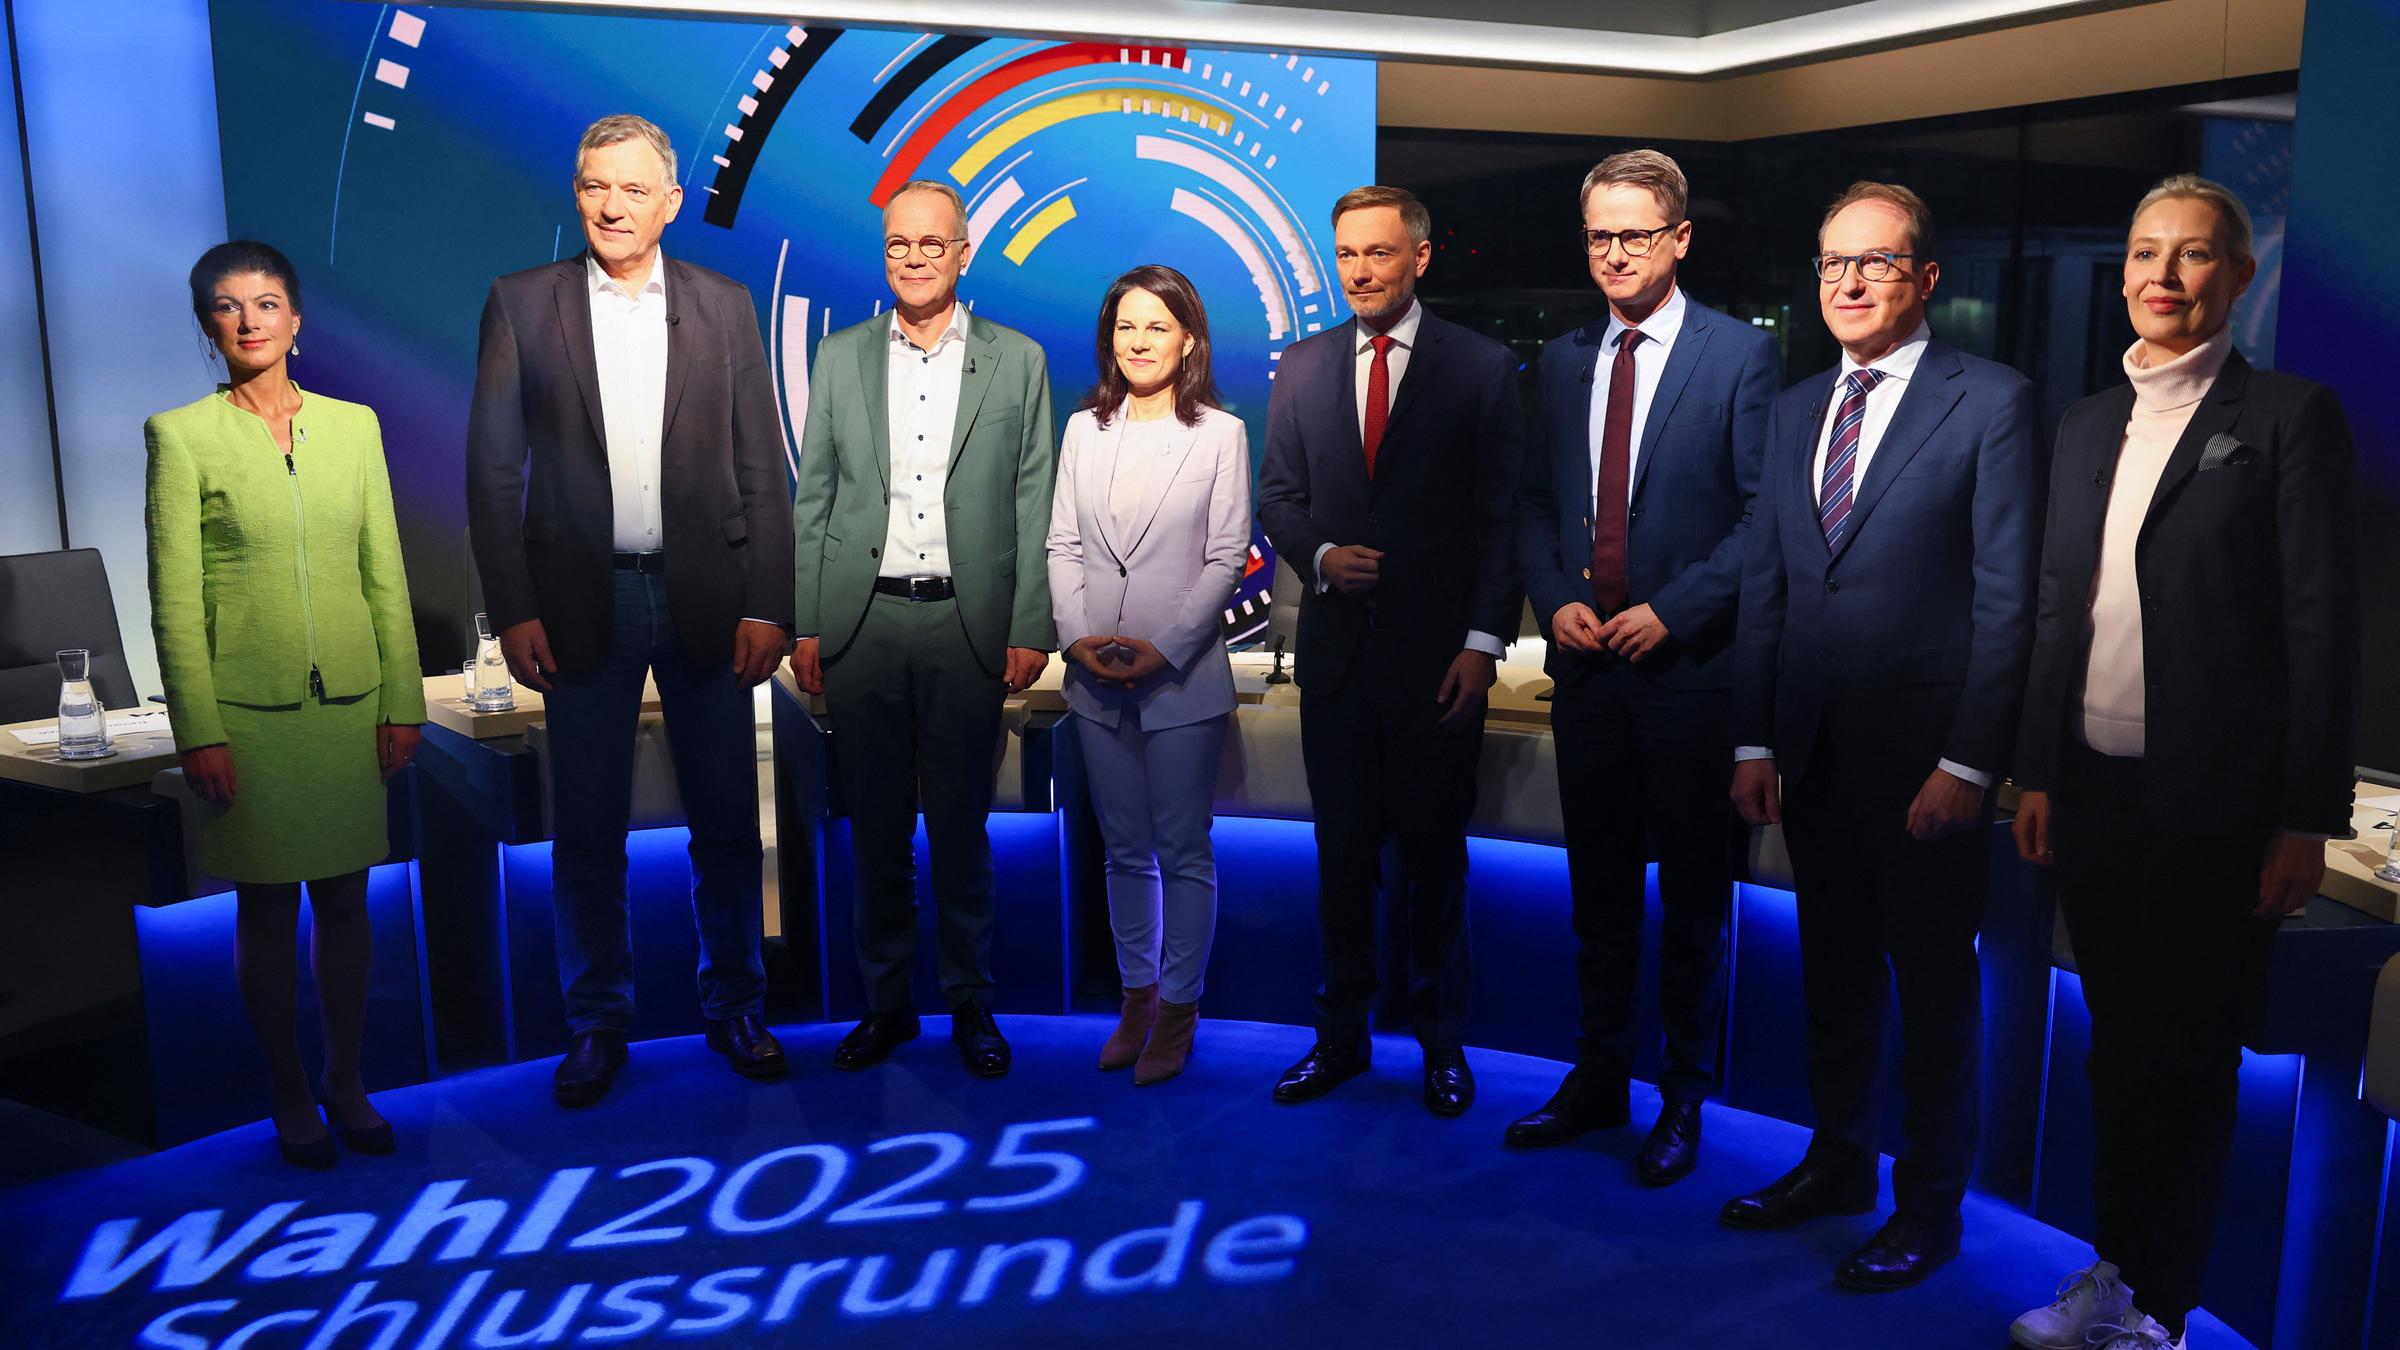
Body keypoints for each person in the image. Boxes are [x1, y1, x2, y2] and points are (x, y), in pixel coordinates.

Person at [2005, 175, 2358, 1350]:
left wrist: (2306, 815)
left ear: (2239, 278)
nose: (2165, 273)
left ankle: (2159, 1306)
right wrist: (2038, 769)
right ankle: (2114, 1271)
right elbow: (2062, 612)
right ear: (2121, 274)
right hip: (2094, 791)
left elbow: (2320, 625)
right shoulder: (2087, 421)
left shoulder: (2288, 418)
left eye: (2195, 254)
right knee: (2117, 1051)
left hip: (2213, 811)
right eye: (2146, 251)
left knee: (2191, 1065)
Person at [1723, 182, 2041, 1290]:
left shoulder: (1992, 401)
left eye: (1877, 263)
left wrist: (1969, 763)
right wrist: (1755, 742)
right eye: (1830, 265)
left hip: (1926, 771)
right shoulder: (1796, 404)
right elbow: (1768, 587)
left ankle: (1931, 1207)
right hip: (1808, 754)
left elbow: (2009, 603)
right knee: (1834, 975)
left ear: (1927, 278)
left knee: (1936, 993)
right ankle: (1840, 1163)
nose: (1849, 284)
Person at [466, 114, 795, 1107]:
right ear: (577, 194)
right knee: (589, 830)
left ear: (670, 202)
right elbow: (491, 471)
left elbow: (757, 466)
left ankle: (736, 1004)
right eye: (592, 186)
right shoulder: (521, 304)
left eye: (631, 188)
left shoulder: (726, 305)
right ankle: (596, 1024)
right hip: (578, 599)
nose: (610, 205)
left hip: (708, 595)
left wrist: (771, 602)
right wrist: (513, 606)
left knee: (731, 823)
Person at [1508, 150, 1777, 1183]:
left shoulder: (1741, 357)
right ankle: (1598, 1080)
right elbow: (1538, 506)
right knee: (1600, 897)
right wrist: (1557, 600)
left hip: (1690, 676)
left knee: (1696, 904)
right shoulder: (1569, 356)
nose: (1613, 254)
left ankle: (1683, 1099)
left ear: (1679, 240)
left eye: (1633, 234)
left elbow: (1764, 521)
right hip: (1588, 677)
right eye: (1598, 236)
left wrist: (1674, 610)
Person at [145, 240, 426, 1167]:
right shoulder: (179, 435)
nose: (250, 320)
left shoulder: (355, 427)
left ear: (296, 321)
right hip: (249, 717)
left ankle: (347, 1077)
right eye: (228, 307)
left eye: (267, 303)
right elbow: (174, 602)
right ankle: (288, 1088)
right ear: (208, 327)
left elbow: (384, 571)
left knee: (348, 899)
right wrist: (200, 730)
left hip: (350, 705)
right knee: (266, 909)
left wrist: (403, 701)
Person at [1256, 185, 1524, 1117]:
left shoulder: (1484, 370)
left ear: (1420, 257)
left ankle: (1441, 1045)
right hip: (1337, 664)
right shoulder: (1300, 368)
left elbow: (1503, 524)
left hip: (1438, 668)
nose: (1361, 271)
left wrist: (1483, 646)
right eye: (1347, 255)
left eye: (1378, 253)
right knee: (1341, 866)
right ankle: (1341, 1039)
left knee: (1434, 867)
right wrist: (1322, 558)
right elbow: (1279, 501)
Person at [788, 179, 1056, 1079]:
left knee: (961, 831)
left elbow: (1034, 498)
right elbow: (815, 500)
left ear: (965, 251)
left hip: (967, 624)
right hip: (862, 625)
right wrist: (809, 623)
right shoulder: (840, 356)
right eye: (898, 244)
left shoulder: (1018, 360)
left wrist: (1031, 622)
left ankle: (971, 1004)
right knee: (874, 833)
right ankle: (886, 1005)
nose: (912, 258)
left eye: (930, 244)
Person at [1046, 265, 1251, 1086]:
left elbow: (1225, 557)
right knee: (1123, 852)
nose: (1139, 341)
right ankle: (1135, 999)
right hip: (1094, 679)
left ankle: (1179, 1008)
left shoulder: (1220, 435)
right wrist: (1075, 639)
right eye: (1127, 326)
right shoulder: (1081, 429)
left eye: (1157, 327)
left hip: (1181, 679)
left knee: (1183, 850)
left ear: (1189, 339)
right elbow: (1062, 545)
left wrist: (1165, 645)